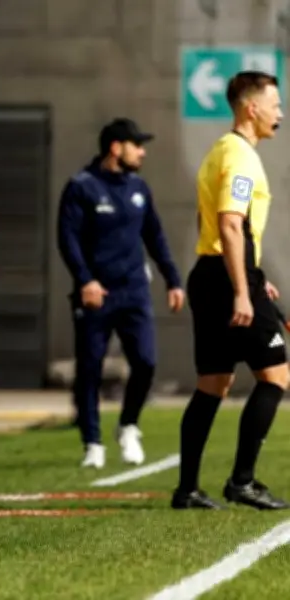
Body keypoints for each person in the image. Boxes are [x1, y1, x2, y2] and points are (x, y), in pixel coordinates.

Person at [172, 71, 289, 511]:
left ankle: (187, 489)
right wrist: (243, 289)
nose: (281, 113)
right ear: (251, 108)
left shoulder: (220, 151)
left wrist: (253, 274)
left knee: (214, 382)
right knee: (276, 376)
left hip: (210, 272)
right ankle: (243, 481)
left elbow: (212, 225)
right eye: (275, 105)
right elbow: (230, 224)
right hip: (226, 278)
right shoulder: (241, 156)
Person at [57, 118, 184, 469]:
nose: (142, 152)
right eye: (136, 145)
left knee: (146, 362)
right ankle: (92, 443)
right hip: (95, 294)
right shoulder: (81, 187)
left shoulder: (139, 188)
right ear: (116, 147)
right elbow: (67, 239)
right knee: (90, 369)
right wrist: (85, 281)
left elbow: (155, 237)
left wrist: (173, 280)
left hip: (134, 292)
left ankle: (128, 425)